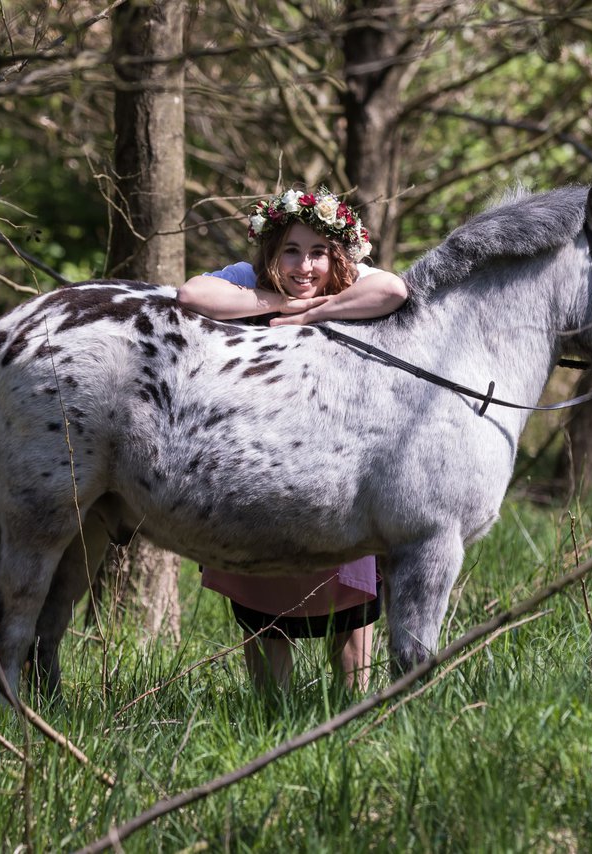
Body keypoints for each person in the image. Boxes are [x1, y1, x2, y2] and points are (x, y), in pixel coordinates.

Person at [177, 188, 408, 691]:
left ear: (338, 255)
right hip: (261, 467)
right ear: (271, 251)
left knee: (351, 607)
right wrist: (279, 301)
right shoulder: (247, 280)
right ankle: (271, 723)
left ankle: (351, 724)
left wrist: (313, 312)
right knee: (262, 605)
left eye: (319, 253)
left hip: (340, 469)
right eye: (292, 251)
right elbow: (191, 295)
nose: (305, 266)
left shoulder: (351, 284)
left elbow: (393, 291)